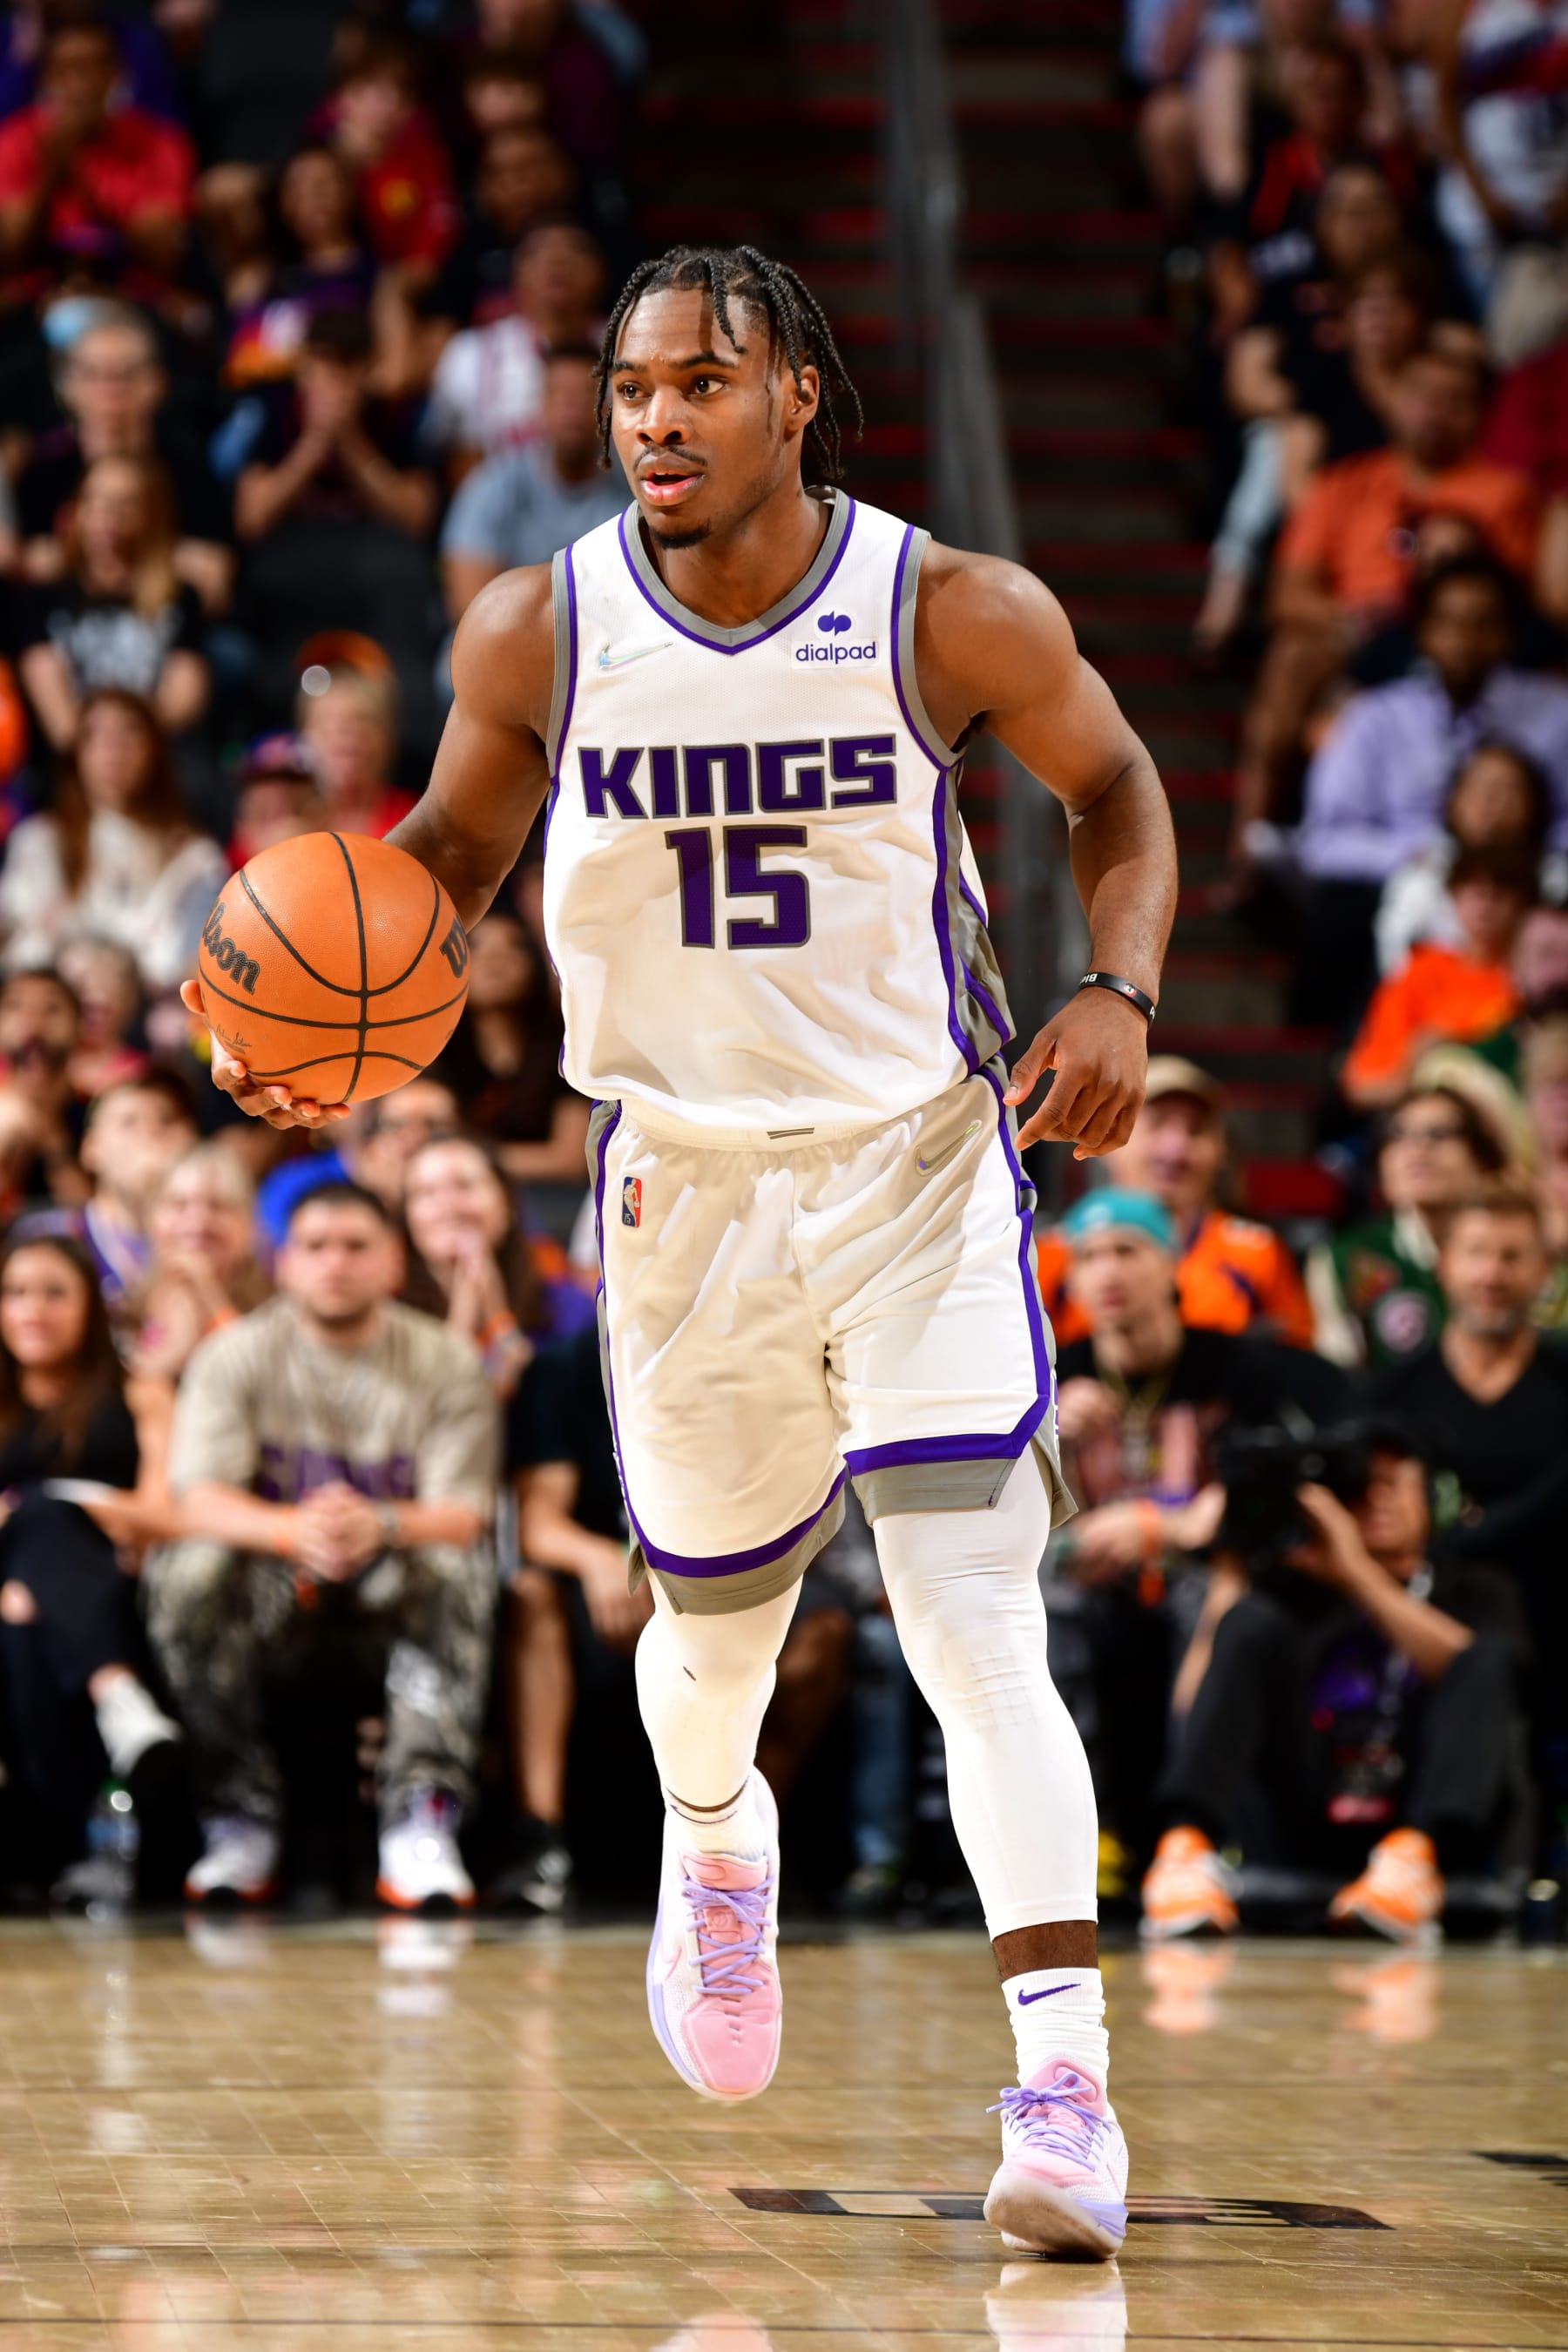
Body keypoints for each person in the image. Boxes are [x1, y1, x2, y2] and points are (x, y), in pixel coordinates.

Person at [186, 240, 1183, 2262]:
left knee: (974, 1615)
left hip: (919, 1163)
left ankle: (1065, 2080)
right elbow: (448, 875)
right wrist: (321, 1004)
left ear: (794, 392)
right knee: (710, 1643)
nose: (655, 418)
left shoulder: (949, 606)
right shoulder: (534, 628)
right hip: (682, 1193)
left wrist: (1126, 989)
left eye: (700, 382)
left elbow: (1120, 787)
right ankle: (717, 1839)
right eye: (631, 388)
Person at [144, 1181, 498, 1912]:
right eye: (315, 1247)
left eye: (356, 1246)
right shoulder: (234, 1355)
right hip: (272, 1590)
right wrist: (290, 1530)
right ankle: (237, 1814)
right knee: (190, 1569)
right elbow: (197, 1498)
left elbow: (463, 1513)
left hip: (388, 1584)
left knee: (454, 1567)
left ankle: (420, 1818)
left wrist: (380, 1523)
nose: (335, 1262)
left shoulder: (443, 1363)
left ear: (393, 1263)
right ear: (284, 1263)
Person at [1140, 1424, 1529, 1945]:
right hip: (1309, 1807)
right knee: (1248, 1621)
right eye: (1359, 1487)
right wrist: (1231, 1567)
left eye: (1392, 1483)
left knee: (1486, 1655)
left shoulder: (1476, 1588)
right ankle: (1184, 1851)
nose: (1375, 1499)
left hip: (1419, 1817)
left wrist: (1356, 1572)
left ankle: (1412, 1863)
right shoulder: (1293, 1594)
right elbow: (1191, 1709)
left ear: (1433, 1497)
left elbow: (1485, 1678)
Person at [1048, 1188, 1347, 1862]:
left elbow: (1264, 1494)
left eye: (1128, 1251)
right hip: (1088, 1577)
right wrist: (1053, 1433)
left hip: (1207, 1567)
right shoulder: (1049, 1378)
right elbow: (1015, 1518)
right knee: (1041, 1609)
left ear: (1171, 1264)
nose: (1108, 1273)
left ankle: (1206, 1835)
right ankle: (1079, 1839)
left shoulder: (1237, 1366)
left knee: (1221, 1609)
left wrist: (1158, 1524)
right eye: (1090, 1256)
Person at [1233, 347, 1542, 868]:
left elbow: (1516, 600)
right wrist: (1357, 622)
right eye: (1422, 394)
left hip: (1464, 641)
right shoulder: (1345, 481)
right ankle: (1251, 849)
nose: (1434, 410)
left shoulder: (1507, 492)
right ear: (1394, 398)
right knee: (1294, 660)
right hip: (1361, 637)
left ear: (1478, 411)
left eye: (1454, 399)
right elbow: (1286, 595)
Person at [1297, 554, 1568, 1015]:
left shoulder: (1556, 712)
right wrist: (1425, 853)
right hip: (1409, 876)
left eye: (1483, 623)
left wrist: (1524, 856)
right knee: (1345, 917)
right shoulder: (1374, 716)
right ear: (1422, 632)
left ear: (1509, 634)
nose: (1464, 640)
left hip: (1531, 879)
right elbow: (1323, 841)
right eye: (1449, 622)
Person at [0, 1232, 181, 1906]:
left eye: (54, 1293)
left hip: (109, 1589)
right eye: (15, 1293)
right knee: (32, 1539)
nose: (33, 1310)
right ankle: (120, 1705)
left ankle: (64, 1847)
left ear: (89, 1308)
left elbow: (167, 1512)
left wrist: (81, 1504)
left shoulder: (140, 1393)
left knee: (29, 1598)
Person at [1034, 1056, 1313, 1348]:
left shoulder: (1257, 1253)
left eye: (1196, 1130)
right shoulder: (1054, 1254)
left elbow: (1295, 1367)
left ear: (1220, 1150)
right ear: (1106, 1137)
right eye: (1157, 1124)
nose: (1176, 1149)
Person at [0, 687, 225, 994]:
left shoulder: (195, 857)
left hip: (152, 1019)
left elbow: (196, 965)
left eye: (130, 731)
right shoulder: (37, 843)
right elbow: (15, 935)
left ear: (154, 750)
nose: (113, 747)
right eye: (96, 734)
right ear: (76, 752)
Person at [16, 306, 233, 615]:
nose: (110, 391)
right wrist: (160, 557)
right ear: (67, 386)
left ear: (157, 383)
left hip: (166, 633)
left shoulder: (188, 466)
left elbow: (215, 576)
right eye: (93, 375)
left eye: (126, 375)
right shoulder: (43, 469)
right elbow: (23, 566)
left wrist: (79, 556)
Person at [15, 454, 210, 751]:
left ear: (149, 514)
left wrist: (128, 745)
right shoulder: (45, 598)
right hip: (74, 763)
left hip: (155, 754)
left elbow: (183, 699)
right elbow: (58, 718)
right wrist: (100, 751)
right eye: (96, 501)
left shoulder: (180, 598)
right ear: (76, 512)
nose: (108, 516)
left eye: (124, 503)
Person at [1308, 1082, 1509, 1368]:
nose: (1416, 1151)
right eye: (1398, 1136)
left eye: (1438, 1134)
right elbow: (1339, 1383)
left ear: (1482, 1159)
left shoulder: (1520, 1250)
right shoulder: (1345, 1259)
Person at [439, 342, 627, 628]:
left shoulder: (635, 493)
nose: (572, 407)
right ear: (540, 404)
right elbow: (470, 609)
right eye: (560, 394)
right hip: (502, 650)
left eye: (586, 395)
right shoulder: (494, 484)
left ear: (608, 410)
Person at [0, 17, 194, 289]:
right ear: (46, 79)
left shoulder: (161, 142)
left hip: (131, 294)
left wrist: (83, 175)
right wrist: (48, 175)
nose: (81, 84)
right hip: (39, 293)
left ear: (117, 74)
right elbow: (10, 252)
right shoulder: (12, 139)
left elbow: (165, 257)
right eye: (67, 70)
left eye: (94, 67)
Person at [1341, 845, 1532, 1108]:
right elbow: (1361, 1085)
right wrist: (1419, 1065)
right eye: (1475, 894)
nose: (1485, 907)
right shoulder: (1420, 973)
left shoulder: (1539, 979)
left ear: (1522, 903)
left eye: (1499, 895)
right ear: (1453, 900)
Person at [401, 1130, 582, 1400]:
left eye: (464, 1186)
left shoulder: (565, 1303)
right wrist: (463, 1317)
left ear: (507, 1203)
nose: (448, 1205)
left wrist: (497, 1316)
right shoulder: (387, 1312)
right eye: (426, 1192)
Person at [16, 1067, 199, 1326]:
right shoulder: (49, 1235)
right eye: (129, 1122)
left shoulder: (208, 1239)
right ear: (90, 1149)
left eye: (167, 1120)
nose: (150, 1134)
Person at [423, 213, 604, 471]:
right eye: (539, 251)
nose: (558, 260)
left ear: (600, 272)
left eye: (576, 250)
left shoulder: (634, 346)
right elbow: (453, 461)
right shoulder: (469, 354)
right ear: (517, 273)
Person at [1375, 740, 1564, 979]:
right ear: (1454, 801)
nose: (1492, 801)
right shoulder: (1423, 874)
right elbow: (1397, 967)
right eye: (1479, 786)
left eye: (1508, 789)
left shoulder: (1555, 881)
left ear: (1534, 805)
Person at [429, 909, 589, 1185]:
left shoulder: (568, 1049)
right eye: (477, 945)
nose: (495, 958)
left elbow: (572, 1158)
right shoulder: (434, 1054)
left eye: (514, 946)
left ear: (537, 964)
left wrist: (471, 1159)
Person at [131, 1142, 267, 1388]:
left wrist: (210, 1298)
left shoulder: (276, 1317)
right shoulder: (123, 1313)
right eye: (178, 1204)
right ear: (151, 1220)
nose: (197, 1221)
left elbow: (266, 1386)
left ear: (249, 1227)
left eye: (218, 1205)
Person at [296, 664, 416, 840]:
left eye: (363, 720)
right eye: (327, 721)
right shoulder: (277, 824)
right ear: (302, 738)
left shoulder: (414, 823)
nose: (345, 731)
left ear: (387, 738)